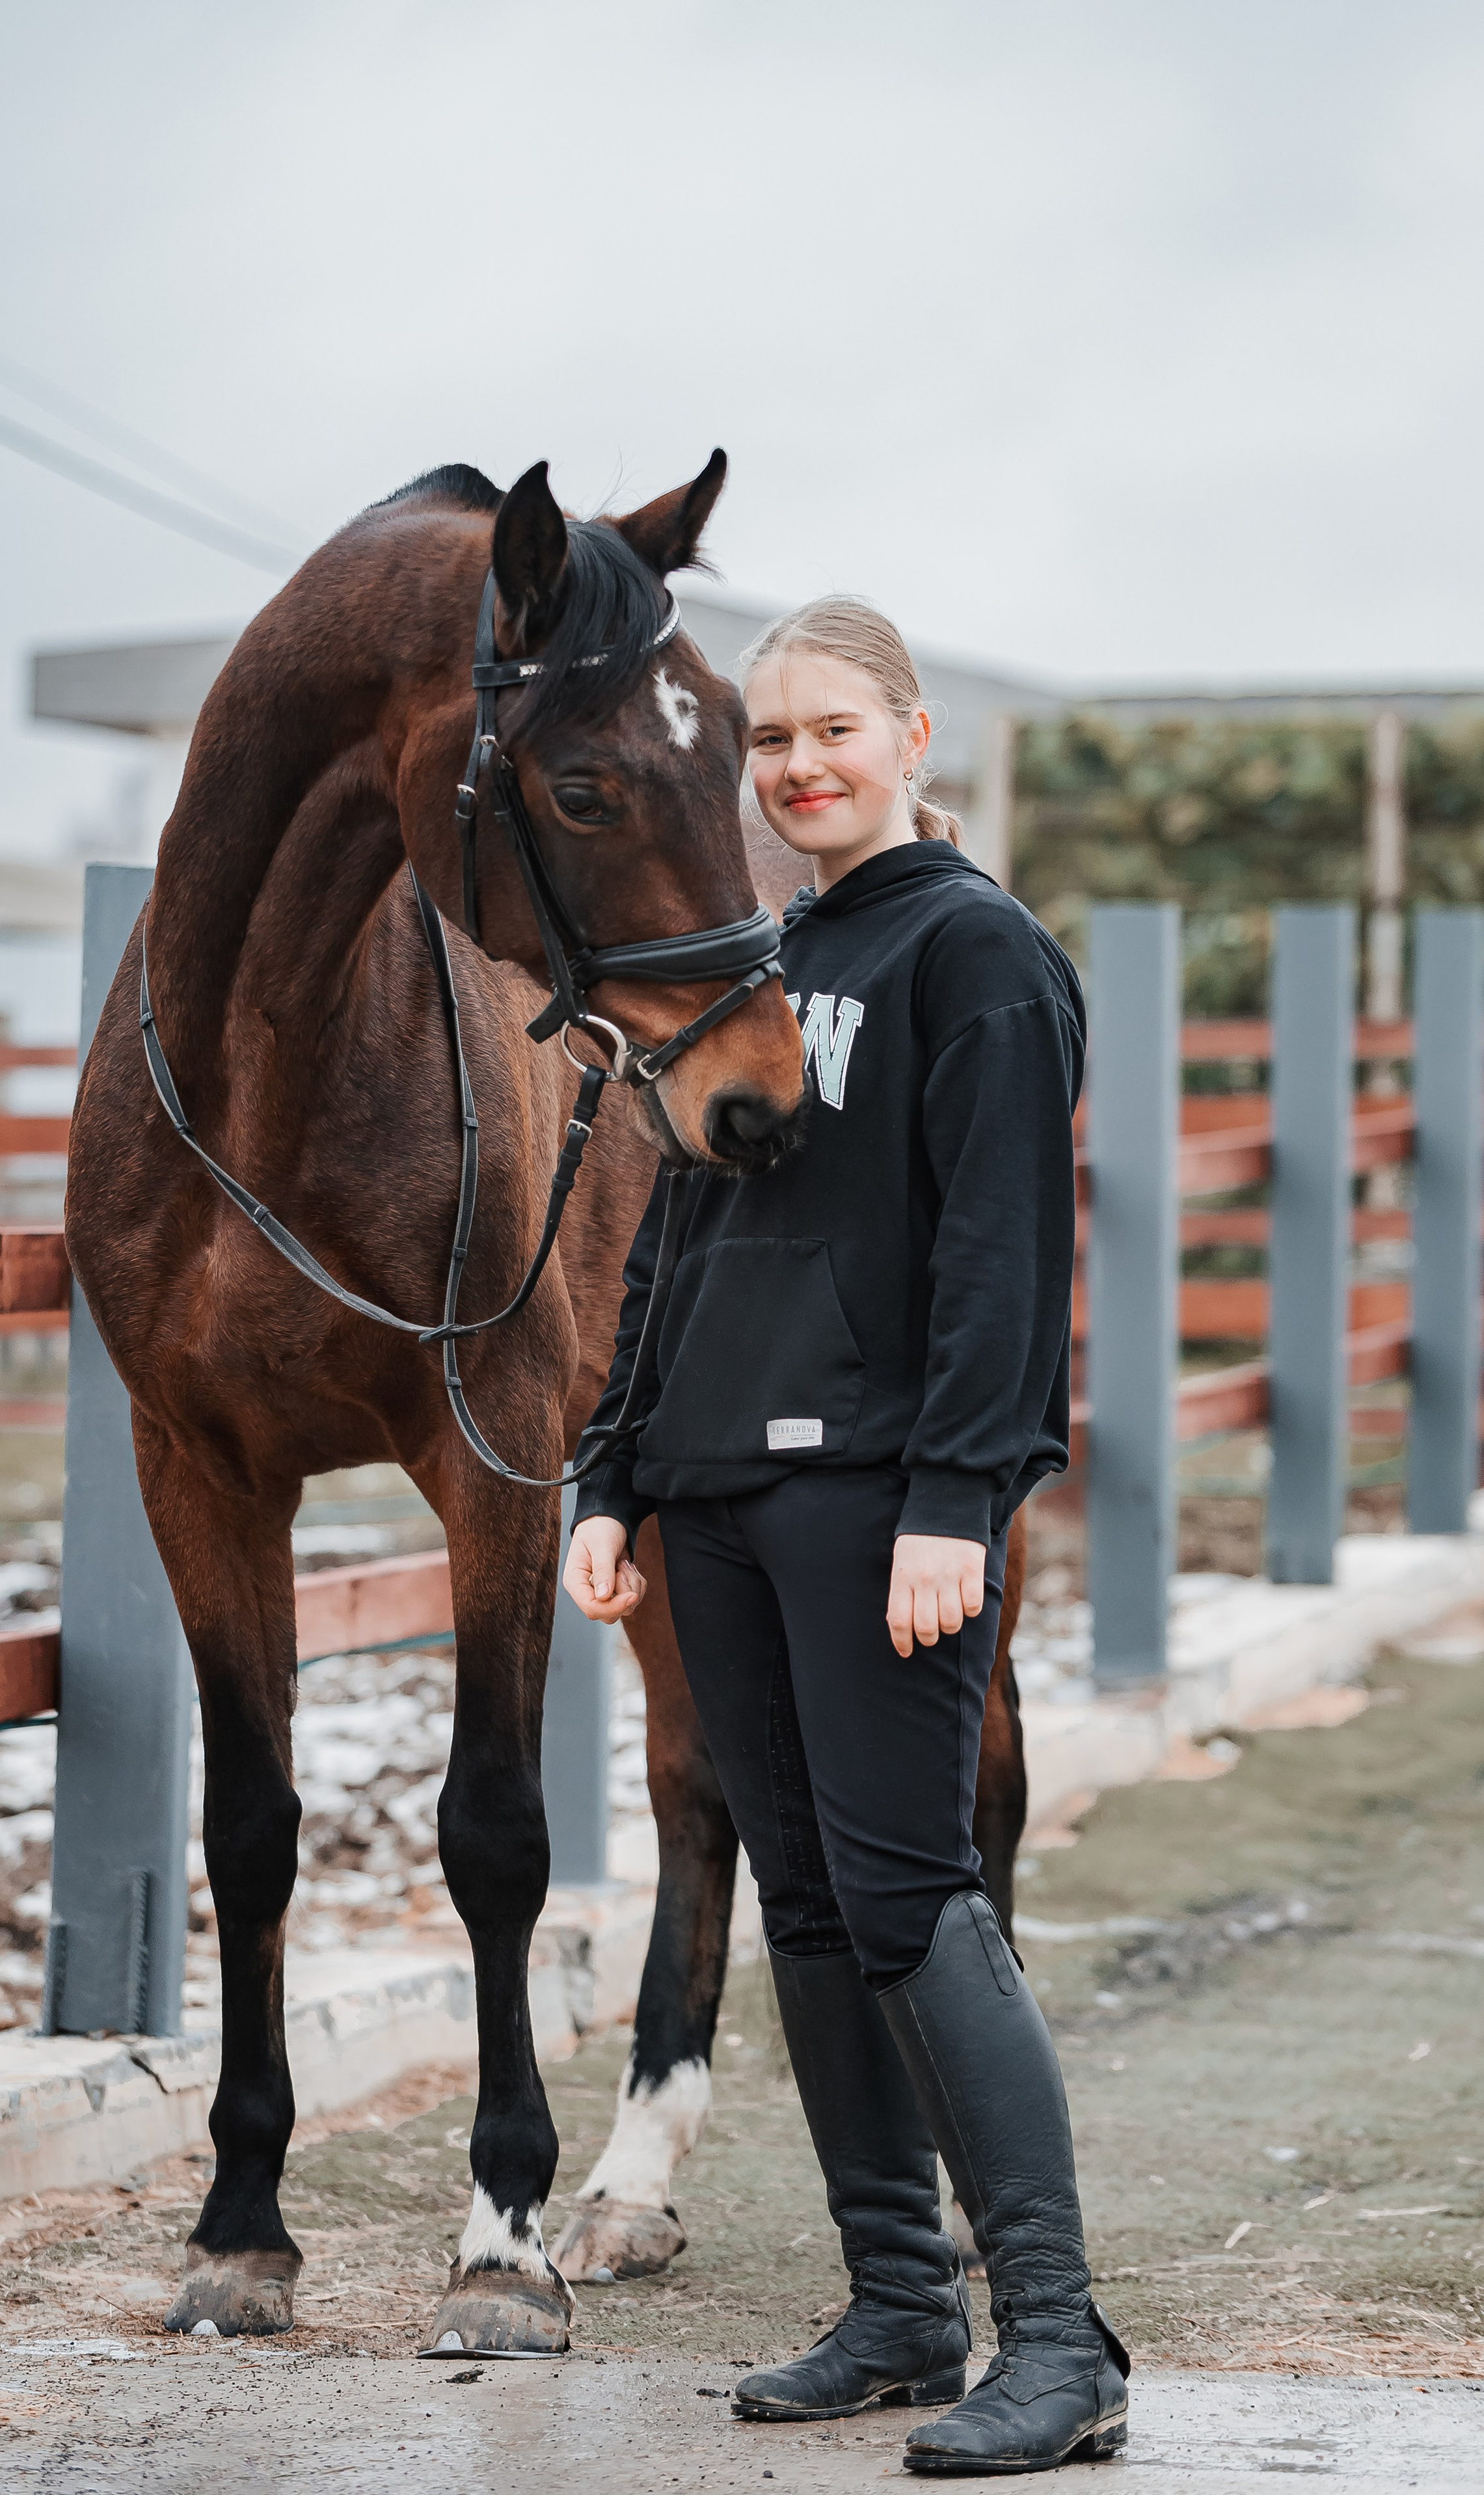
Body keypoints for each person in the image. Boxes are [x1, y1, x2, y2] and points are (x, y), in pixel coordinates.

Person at [562, 597, 1128, 2475]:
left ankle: (1061, 2338)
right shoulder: (763, 956)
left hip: (881, 1496)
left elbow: (1003, 1251)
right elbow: (677, 1234)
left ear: (910, 737)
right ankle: (899, 2302)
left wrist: (959, 1498)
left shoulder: (980, 953)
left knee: (912, 1898)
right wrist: (613, 1472)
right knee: (802, 1901)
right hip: (716, 1490)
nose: (799, 765)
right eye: (772, 737)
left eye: (834, 729)